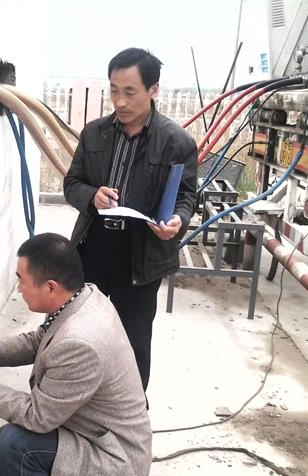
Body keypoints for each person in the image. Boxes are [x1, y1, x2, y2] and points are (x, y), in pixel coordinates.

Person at [0, 233, 151, 476]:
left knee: (15, 446)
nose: (19, 289)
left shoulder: (79, 341)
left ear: (50, 287)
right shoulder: (82, 297)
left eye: (22, 281)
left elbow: (38, 417)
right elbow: (39, 341)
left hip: (112, 461)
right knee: (3, 440)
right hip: (97, 435)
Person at [63, 48, 198, 392]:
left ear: (154, 90)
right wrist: (91, 196)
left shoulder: (176, 141)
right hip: (94, 246)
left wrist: (178, 221)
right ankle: (79, 399)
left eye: (130, 92)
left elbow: (186, 195)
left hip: (141, 253)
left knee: (133, 340)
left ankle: (132, 411)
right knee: (80, 331)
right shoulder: (94, 133)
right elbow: (72, 184)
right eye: (114, 90)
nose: (120, 102)